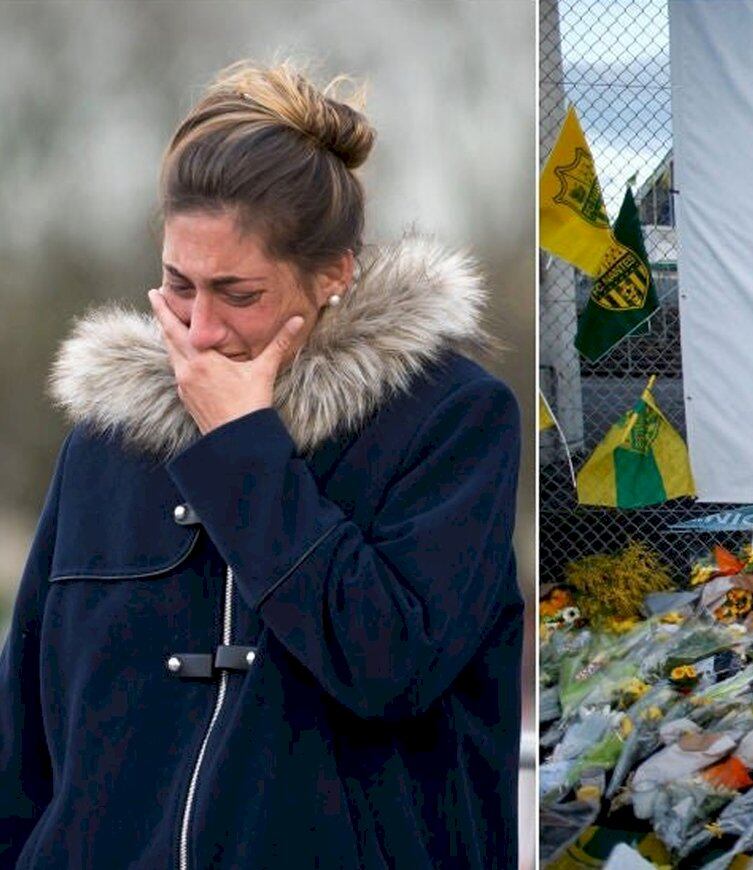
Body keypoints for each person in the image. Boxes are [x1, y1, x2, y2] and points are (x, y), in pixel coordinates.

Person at [0, 62, 522, 867]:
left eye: (237, 293)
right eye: (179, 285)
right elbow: (23, 738)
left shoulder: (452, 421)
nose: (200, 329)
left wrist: (244, 448)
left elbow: (389, 667)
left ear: (333, 275)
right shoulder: (106, 440)